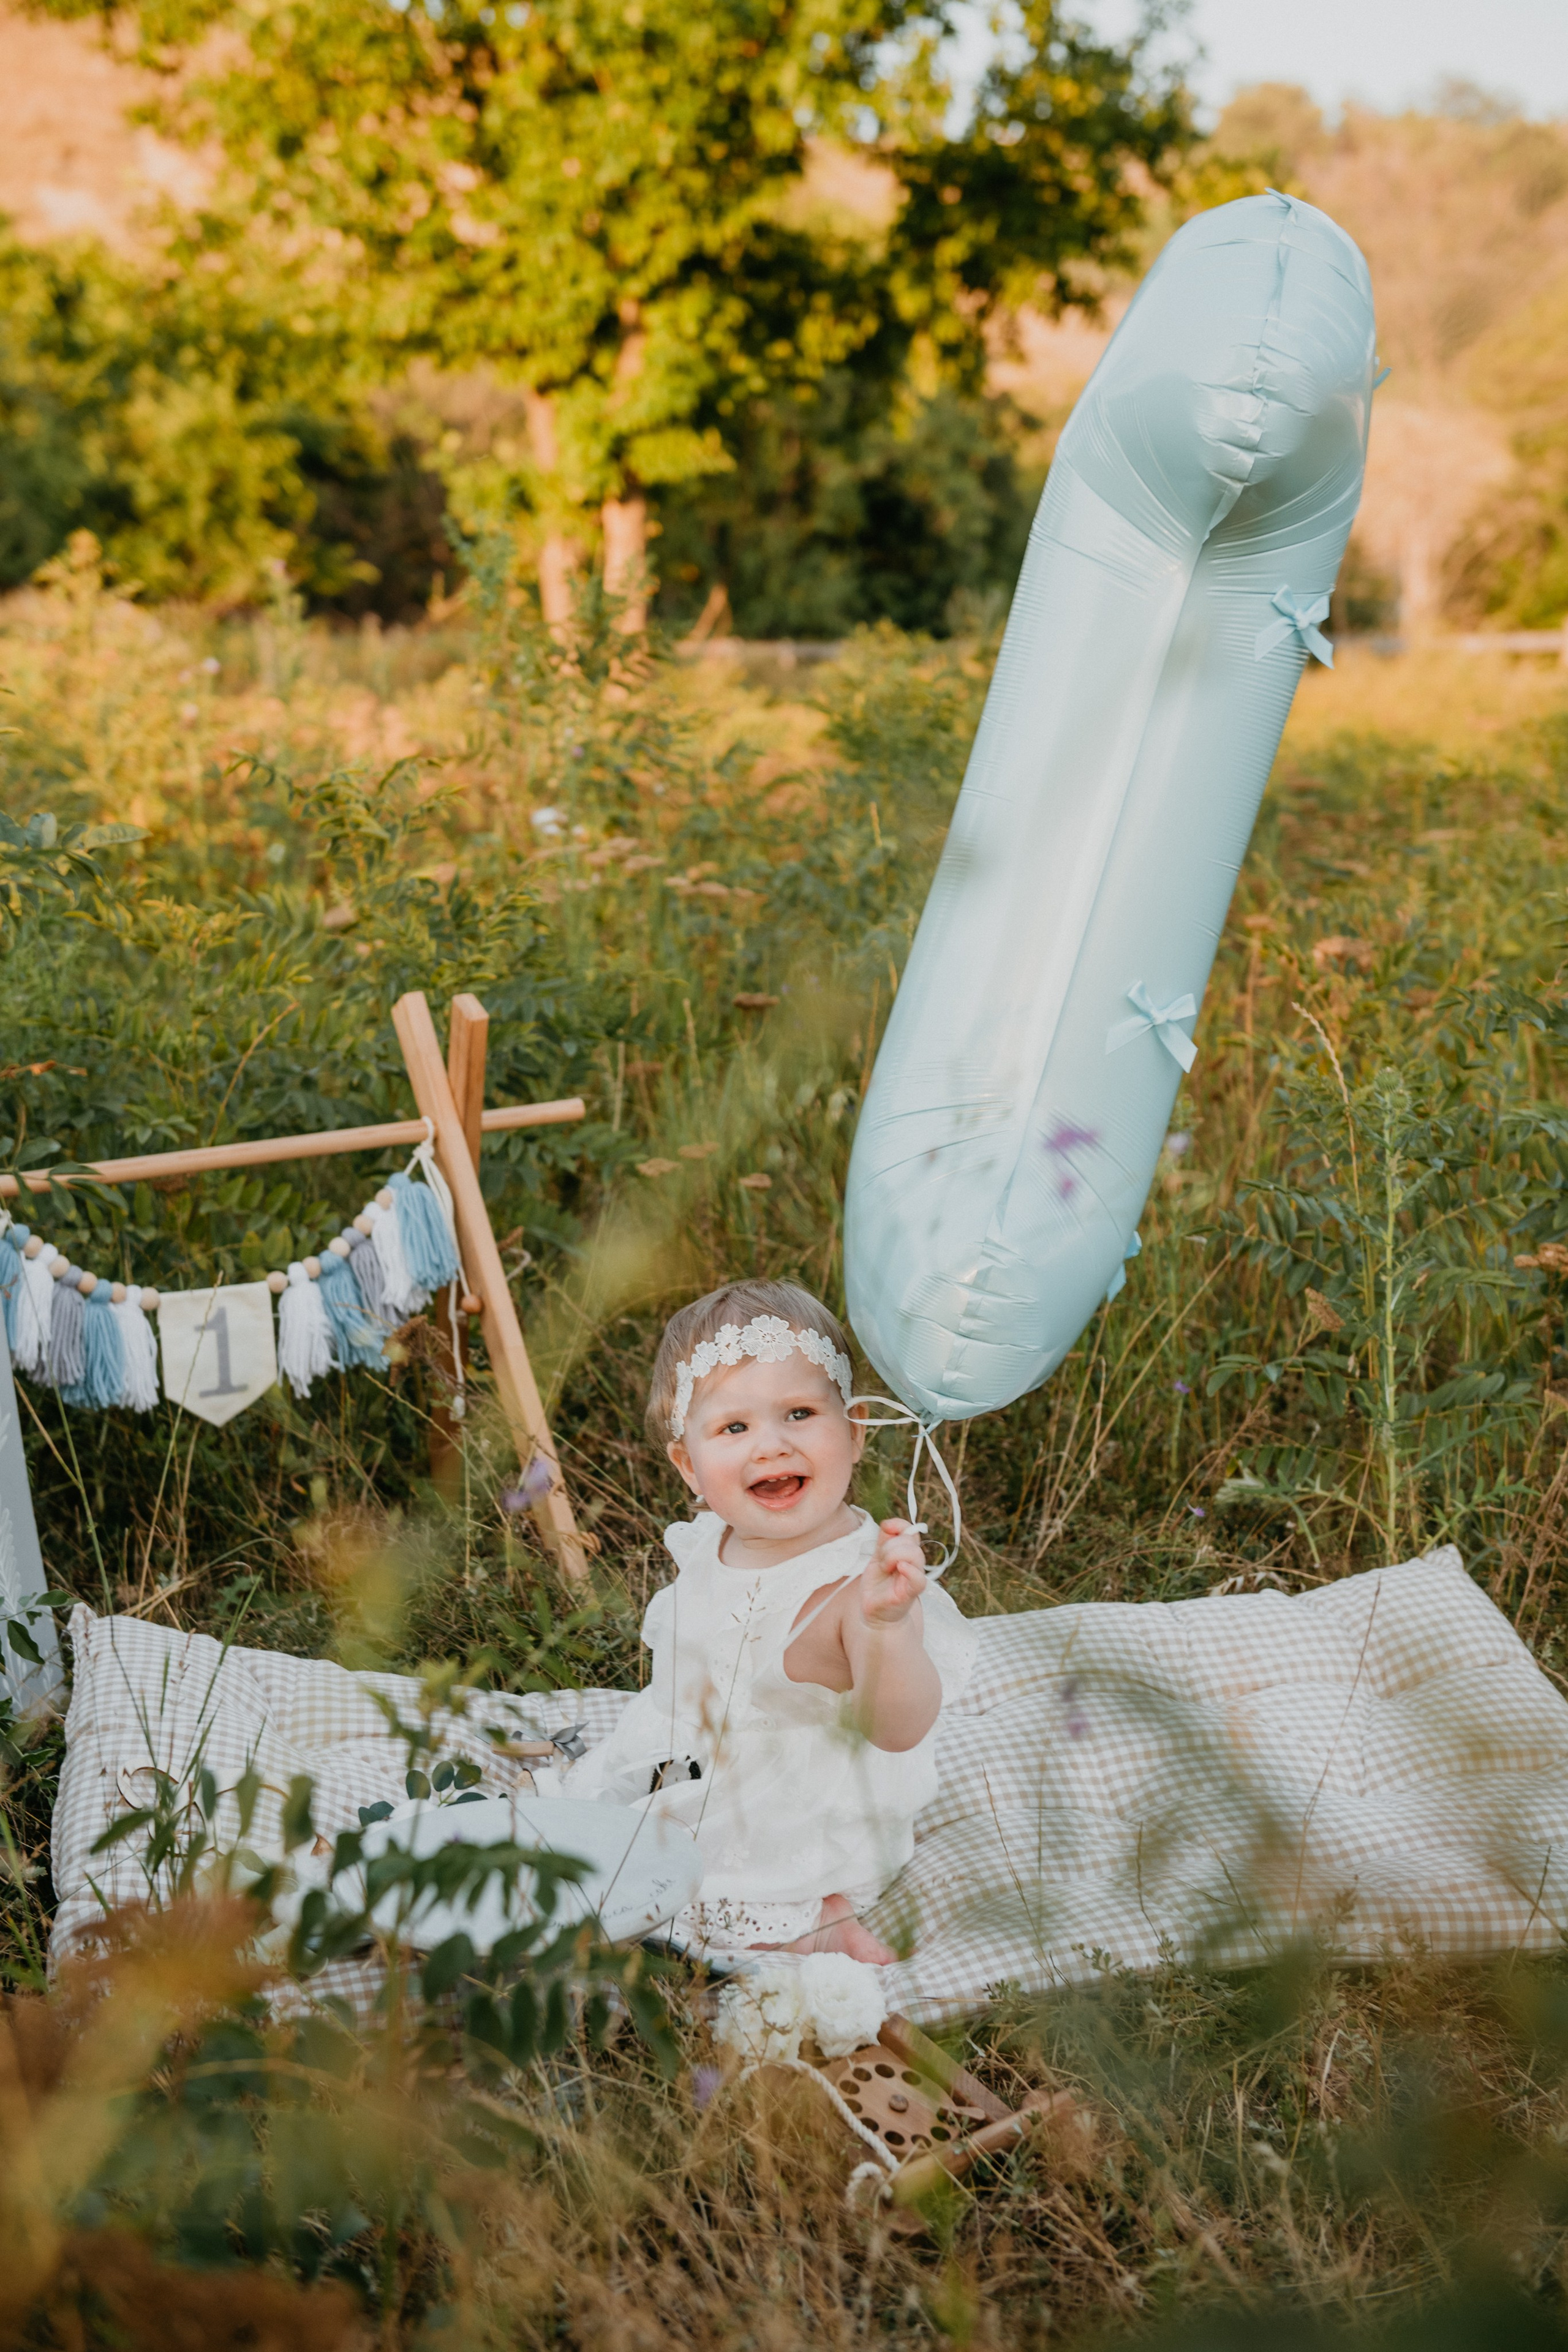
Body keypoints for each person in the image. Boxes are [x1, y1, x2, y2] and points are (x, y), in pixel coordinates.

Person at [566, 1278, 974, 1961]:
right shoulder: (710, 1541)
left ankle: (821, 1914)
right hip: (707, 1761)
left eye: (798, 1413)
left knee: (645, 1889)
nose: (770, 1447)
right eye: (734, 1427)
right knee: (592, 1835)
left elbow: (899, 1728)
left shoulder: (857, 1585)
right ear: (688, 1466)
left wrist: (885, 1629)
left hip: (809, 1815)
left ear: (855, 1431)